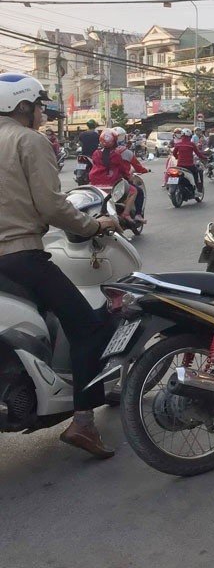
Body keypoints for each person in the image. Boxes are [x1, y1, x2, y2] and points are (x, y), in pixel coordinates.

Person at [0, 73, 121, 458]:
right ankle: (83, 421)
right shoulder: (28, 140)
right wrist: (94, 224)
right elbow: (51, 205)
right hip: (19, 254)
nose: (41, 113)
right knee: (89, 327)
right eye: (38, 106)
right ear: (22, 107)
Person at [89, 129, 141, 223]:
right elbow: (123, 169)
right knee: (134, 191)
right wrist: (128, 176)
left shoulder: (96, 153)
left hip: (95, 182)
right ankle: (126, 214)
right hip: (112, 183)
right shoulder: (116, 154)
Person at [172, 128, 206, 195]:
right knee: (197, 174)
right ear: (190, 136)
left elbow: (174, 153)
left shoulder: (178, 144)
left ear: (182, 136)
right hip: (189, 166)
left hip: (179, 166)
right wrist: (205, 158)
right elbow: (198, 154)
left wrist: (177, 157)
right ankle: (198, 190)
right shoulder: (191, 144)